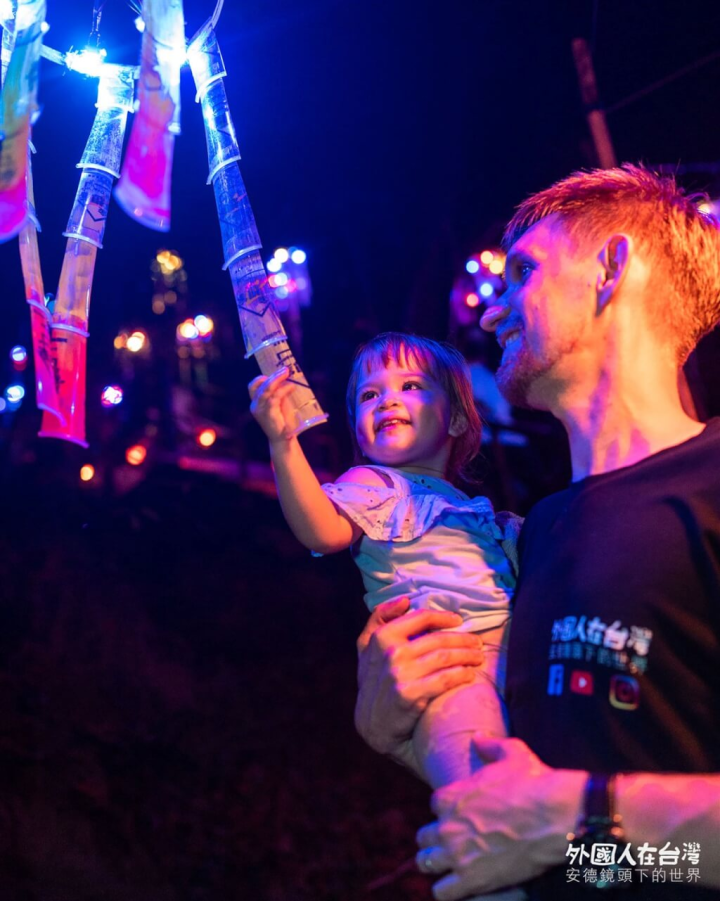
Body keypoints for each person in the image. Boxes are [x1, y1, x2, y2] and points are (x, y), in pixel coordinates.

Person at [354, 165, 720, 900]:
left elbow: (569, 822)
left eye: (522, 272)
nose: (492, 313)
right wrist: (397, 731)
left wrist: (580, 817)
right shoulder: (540, 529)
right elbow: (579, 849)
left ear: (611, 269)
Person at [248, 335, 523, 844]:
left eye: (411, 386)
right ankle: (494, 864)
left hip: (513, 658)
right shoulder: (374, 486)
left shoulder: (474, 510)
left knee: (536, 788)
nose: (387, 400)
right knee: (482, 797)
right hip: (444, 669)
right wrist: (284, 445)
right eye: (369, 396)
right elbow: (322, 531)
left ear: (458, 420)